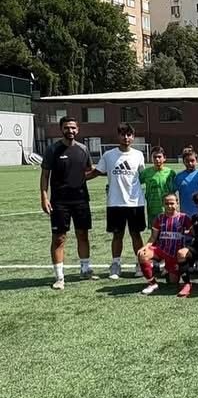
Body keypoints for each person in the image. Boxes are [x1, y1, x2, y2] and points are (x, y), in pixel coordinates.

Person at [40, 116, 95, 289]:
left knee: (83, 234)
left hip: (81, 199)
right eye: (66, 127)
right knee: (59, 238)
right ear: (61, 129)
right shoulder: (52, 149)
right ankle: (59, 277)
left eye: (73, 127)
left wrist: (108, 171)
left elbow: (89, 171)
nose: (70, 130)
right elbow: (45, 175)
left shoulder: (83, 149)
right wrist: (44, 197)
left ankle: (85, 270)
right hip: (60, 202)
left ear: (77, 130)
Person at [87, 122, 146, 280]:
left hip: (135, 202)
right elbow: (97, 172)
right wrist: (77, 178)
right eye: (123, 134)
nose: (126, 137)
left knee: (136, 235)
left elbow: (143, 175)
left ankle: (140, 264)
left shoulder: (139, 155)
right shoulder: (108, 155)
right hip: (115, 203)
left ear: (133, 137)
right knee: (117, 235)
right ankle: (115, 264)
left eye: (129, 135)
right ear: (118, 136)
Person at [137, 193, 192, 295]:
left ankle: (168, 269)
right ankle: (152, 283)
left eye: (172, 203)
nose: (169, 206)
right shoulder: (159, 218)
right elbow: (153, 237)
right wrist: (144, 247)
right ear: (163, 204)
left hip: (175, 254)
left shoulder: (184, 218)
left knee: (173, 282)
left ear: (177, 203)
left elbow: (192, 236)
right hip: (161, 250)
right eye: (166, 204)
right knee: (142, 254)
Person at [139, 146, 176, 228]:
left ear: (164, 158)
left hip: (168, 207)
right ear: (151, 158)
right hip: (152, 207)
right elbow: (136, 184)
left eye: (159, 157)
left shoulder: (171, 172)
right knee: (155, 231)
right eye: (154, 157)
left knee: (168, 230)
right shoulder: (146, 173)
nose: (157, 159)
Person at [174, 146, 198, 217]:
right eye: (187, 161)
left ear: (197, 161)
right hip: (185, 214)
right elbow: (172, 193)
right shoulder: (179, 177)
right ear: (183, 162)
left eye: (192, 161)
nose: (190, 163)